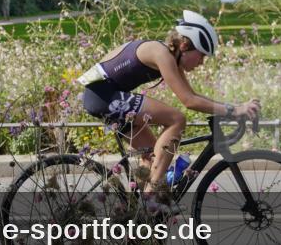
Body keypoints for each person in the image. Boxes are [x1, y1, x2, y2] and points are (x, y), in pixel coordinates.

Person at [77, 10, 261, 196]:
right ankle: (152, 194)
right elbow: (189, 101)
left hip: (104, 96)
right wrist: (234, 111)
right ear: (184, 45)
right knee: (177, 119)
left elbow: (193, 95)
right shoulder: (162, 54)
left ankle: (138, 207)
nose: (202, 63)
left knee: (152, 156)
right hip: (103, 95)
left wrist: (235, 107)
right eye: (202, 55)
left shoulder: (172, 56)